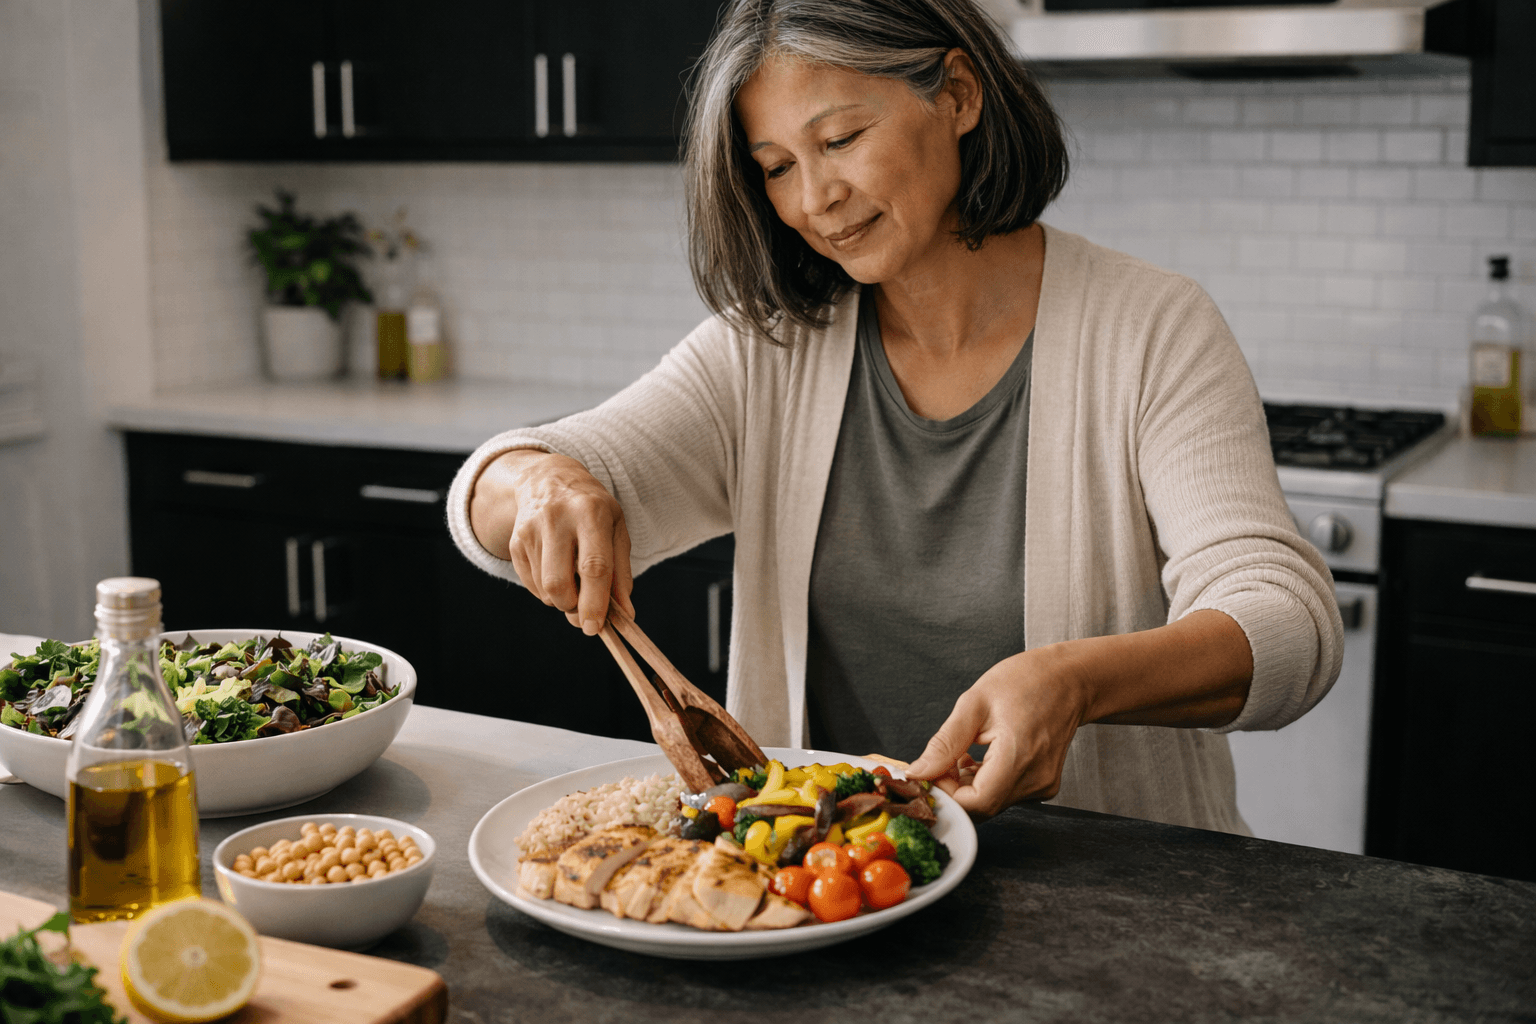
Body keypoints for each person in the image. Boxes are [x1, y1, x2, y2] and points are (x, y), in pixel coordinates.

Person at [449, 0, 1343, 831]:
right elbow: (497, 490)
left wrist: (1076, 681)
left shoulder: (1151, 329)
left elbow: (1287, 624)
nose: (814, 199)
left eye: (840, 139)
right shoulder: (768, 353)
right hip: (828, 897)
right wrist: (541, 483)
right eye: (777, 168)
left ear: (957, 94)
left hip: (1115, 892)